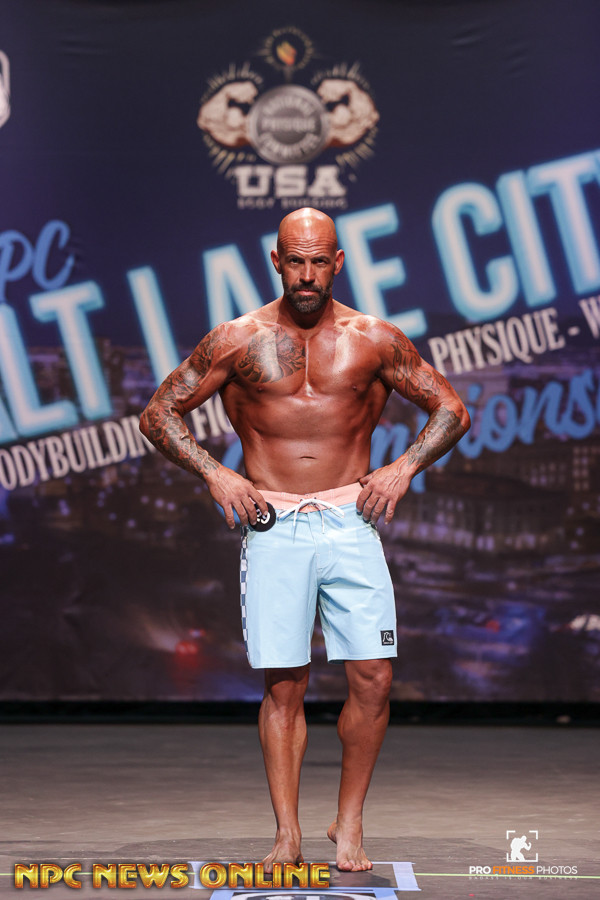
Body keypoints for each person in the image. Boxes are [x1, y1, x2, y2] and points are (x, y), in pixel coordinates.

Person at [139, 207, 470, 872]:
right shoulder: (236, 340)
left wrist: (403, 467)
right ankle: (287, 833)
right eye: (297, 261)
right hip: (275, 525)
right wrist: (216, 473)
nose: (308, 274)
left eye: (320, 261)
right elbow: (158, 413)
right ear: (277, 261)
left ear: (338, 262)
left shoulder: (373, 339)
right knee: (285, 687)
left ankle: (349, 823)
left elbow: (452, 409)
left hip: (351, 521)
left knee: (374, 678)